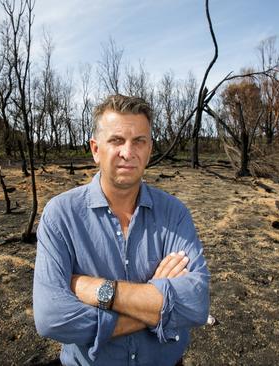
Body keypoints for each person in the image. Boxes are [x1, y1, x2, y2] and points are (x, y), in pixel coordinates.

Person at [33, 94, 210, 365]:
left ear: (150, 149)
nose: (128, 152)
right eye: (116, 140)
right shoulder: (61, 215)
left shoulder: (174, 213)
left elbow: (196, 305)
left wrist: (100, 290)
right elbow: (52, 319)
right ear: (95, 149)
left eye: (139, 141)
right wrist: (156, 305)